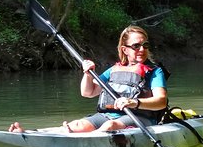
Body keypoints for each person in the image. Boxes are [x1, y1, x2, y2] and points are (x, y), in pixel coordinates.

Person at [9, 26, 168, 133]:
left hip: (139, 118)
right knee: (77, 125)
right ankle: (28, 134)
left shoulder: (154, 71)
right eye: (136, 46)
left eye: (145, 45)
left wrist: (134, 102)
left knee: (110, 126)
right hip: (107, 115)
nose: (142, 50)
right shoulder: (114, 70)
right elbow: (88, 92)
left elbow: (161, 101)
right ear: (124, 49)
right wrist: (87, 73)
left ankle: (89, 143)